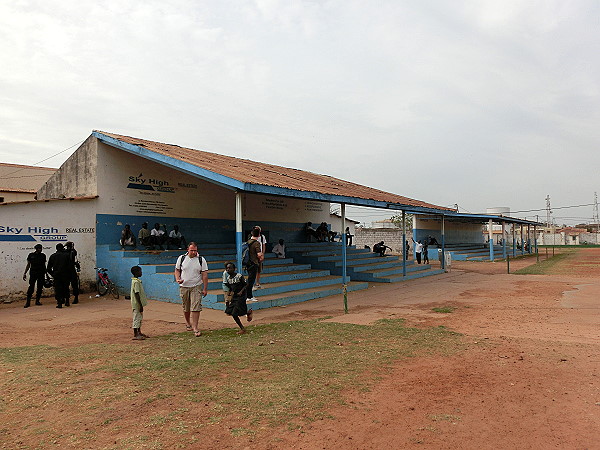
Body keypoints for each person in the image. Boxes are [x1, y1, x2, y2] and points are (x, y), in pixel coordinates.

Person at [174, 242, 208, 337]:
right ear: (187, 250)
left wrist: (205, 288)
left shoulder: (201, 260)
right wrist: (178, 279)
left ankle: (195, 327)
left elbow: (204, 275)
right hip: (184, 286)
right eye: (192, 250)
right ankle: (188, 322)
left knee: (196, 306)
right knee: (186, 306)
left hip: (196, 286)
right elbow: (177, 270)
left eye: (195, 250)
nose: (193, 252)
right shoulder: (182, 258)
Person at [222, 262, 253, 334]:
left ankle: (242, 328)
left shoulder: (239, 276)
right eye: (227, 268)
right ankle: (248, 313)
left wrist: (241, 291)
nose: (228, 270)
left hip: (241, 296)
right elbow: (231, 287)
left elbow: (246, 285)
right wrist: (230, 292)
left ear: (234, 269)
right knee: (230, 311)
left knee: (235, 312)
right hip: (235, 296)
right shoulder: (228, 278)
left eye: (230, 268)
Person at [47, 243, 72, 308]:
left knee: (58, 289)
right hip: (65, 274)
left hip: (57, 275)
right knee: (66, 288)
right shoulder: (66, 255)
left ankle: (60, 303)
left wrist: (53, 274)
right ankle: (67, 301)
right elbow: (70, 266)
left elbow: (48, 268)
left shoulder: (53, 256)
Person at [23, 244, 47, 308]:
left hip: (41, 273)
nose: (40, 249)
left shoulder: (43, 256)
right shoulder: (31, 255)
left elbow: (44, 265)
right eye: (39, 248)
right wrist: (25, 273)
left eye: (41, 248)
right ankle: (28, 302)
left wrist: (46, 274)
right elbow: (28, 265)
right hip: (33, 273)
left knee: (40, 287)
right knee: (31, 287)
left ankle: (37, 301)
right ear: (36, 249)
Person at [245, 228, 264, 303]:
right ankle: (249, 296)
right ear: (259, 235)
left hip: (248, 263)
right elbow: (259, 254)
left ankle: (249, 295)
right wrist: (261, 256)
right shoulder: (256, 243)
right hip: (254, 263)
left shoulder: (248, 242)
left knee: (250, 279)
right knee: (251, 280)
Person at [130, 265, 148, 340]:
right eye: (140, 271)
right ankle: (136, 334)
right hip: (137, 304)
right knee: (136, 318)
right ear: (136, 272)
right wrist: (140, 305)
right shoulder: (136, 282)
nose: (141, 273)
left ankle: (139, 332)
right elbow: (137, 294)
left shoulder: (136, 281)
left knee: (139, 318)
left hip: (138, 303)